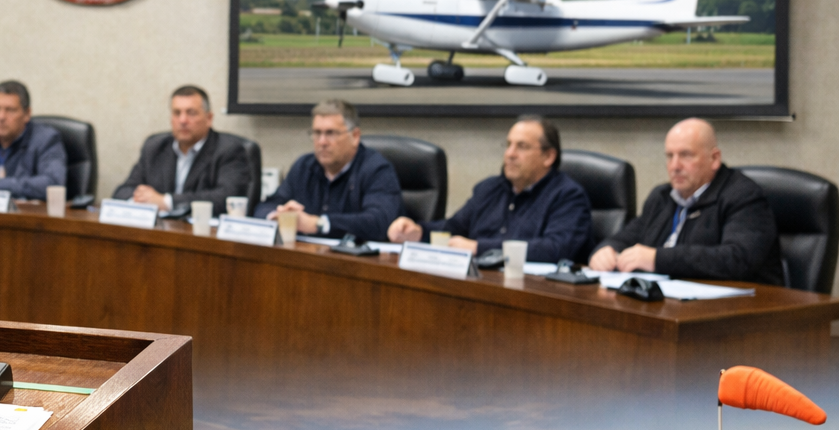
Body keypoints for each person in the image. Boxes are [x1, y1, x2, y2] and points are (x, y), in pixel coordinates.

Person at [590, 118, 782, 284]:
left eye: (685, 155)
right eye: (669, 156)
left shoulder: (743, 196)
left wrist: (657, 259)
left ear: (714, 158)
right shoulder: (663, 197)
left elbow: (736, 259)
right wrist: (606, 250)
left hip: (742, 312)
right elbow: (626, 237)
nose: (675, 166)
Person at [387, 116, 591, 263]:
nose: (510, 154)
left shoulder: (568, 196)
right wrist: (418, 232)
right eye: (508, 145)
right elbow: (453, 229)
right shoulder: (489, 189)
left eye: (522, 147)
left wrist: (478, 248)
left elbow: (555, 249)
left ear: (549, 157)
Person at [255, 99, 402, 240]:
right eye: (317, 133)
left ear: (355, 136)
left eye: (331, 133)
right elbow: (266, 206)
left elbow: (378, 222)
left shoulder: (376, 169)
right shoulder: (304, 166)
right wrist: (277, 216)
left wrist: (318, 224)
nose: (322, 142)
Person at [113, 85, 253, 213]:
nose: (183, 120)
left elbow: (226, 198)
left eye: (191, 113)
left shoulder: (229, 149)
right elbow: (122, 192)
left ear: (209, 118)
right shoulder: (155, 147)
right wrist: (142, 199)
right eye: (177, 113)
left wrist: (167, 202)